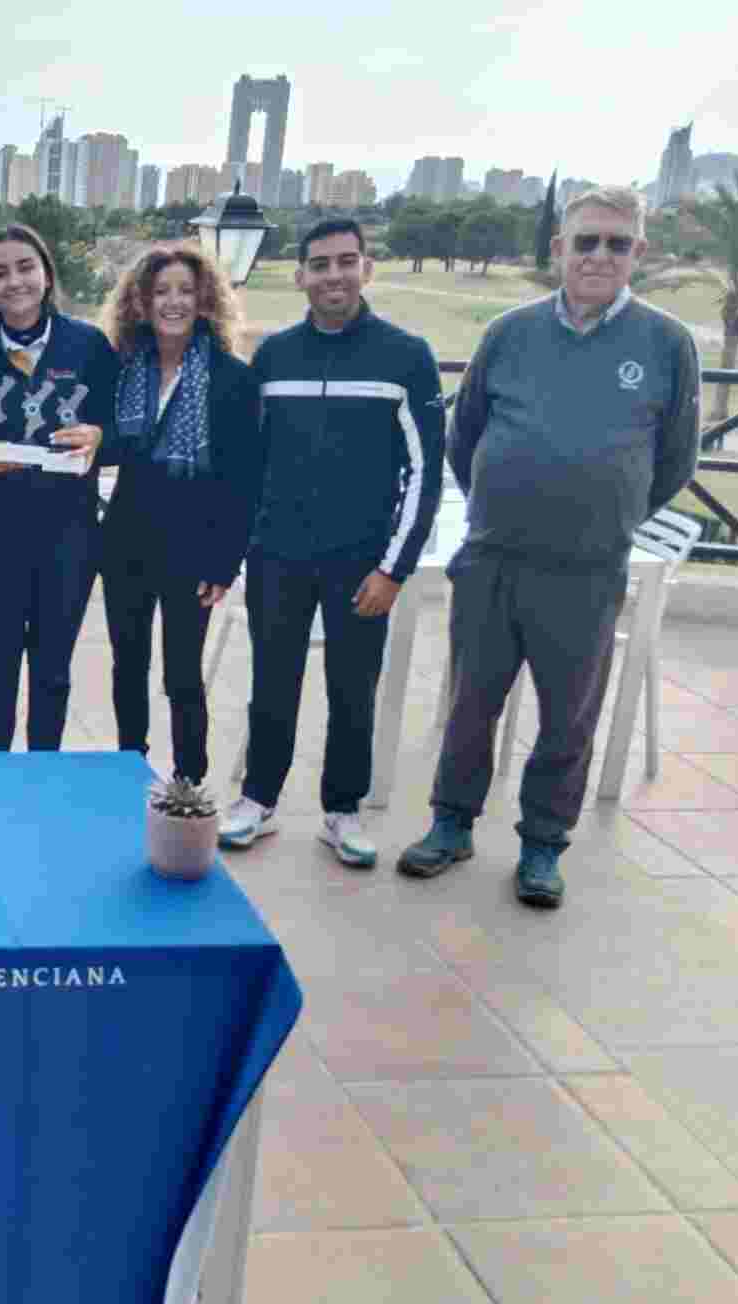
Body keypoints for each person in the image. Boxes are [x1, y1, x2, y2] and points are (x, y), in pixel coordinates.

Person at [399, 187, 700, 908]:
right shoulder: (509, 332)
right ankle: (451, 823)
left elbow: (676, 460)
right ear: (559, 248)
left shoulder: (667, 345)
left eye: (617, 244)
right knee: (472, 702)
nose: (600, 255)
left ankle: (542, 845)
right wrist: (502, 502)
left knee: (569, 716)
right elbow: (463, 434)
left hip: (587, 570)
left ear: (639, 255)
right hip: (494, 558)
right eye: (586, 241)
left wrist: (609, 510)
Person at [219, 218, 445, 867]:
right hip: (277, 558)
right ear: (301, 277)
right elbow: (247, 463)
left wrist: (394, 569)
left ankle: (341, 811)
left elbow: (426, 471)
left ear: (365, 268)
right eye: (319, 264)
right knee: (272, 682)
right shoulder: (274, 356)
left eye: (346, 261)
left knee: (353, 688)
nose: (333, 274)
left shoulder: (406, 356)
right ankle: (258, 800)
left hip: (361, 564)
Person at [97, 242, 263, 782]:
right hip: (125, 542)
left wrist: (224, 563)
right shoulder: (123, 369)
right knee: (127, 667)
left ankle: (189, 783)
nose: (173, 302)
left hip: (193, 551)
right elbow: (108, 448)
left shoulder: (231, 380)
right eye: (161, 291)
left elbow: (244, 481)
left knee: (183, 677)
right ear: (140, 302)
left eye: (185, 291)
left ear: (204, 300)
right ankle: (130, 769)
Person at [0, 223, 112, 751]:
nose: (14, 282)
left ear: (47, 274)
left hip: (69, 534)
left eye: (25, 267)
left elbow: (119, 434)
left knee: (52, 670)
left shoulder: (89, 344)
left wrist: (98, 435)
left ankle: (43, 772)